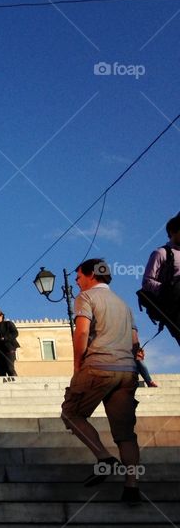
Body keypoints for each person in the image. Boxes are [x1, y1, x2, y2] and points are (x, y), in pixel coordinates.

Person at [60, 259, 143, 504]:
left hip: (98, 367)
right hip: (127, 371)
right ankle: (132, 486)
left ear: (90, 275)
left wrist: (77, 365)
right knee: (126, 434)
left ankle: (104, 458)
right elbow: (135, 340)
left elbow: (82, 332)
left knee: (70, 413)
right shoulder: (124, 305)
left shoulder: (86, 298)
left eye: (78, 276)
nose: (76, 281)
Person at [140, 212, 180, 345]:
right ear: (173, 231)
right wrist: (165, 289)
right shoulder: (162, 253)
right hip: (174, 309)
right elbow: (147, 281)